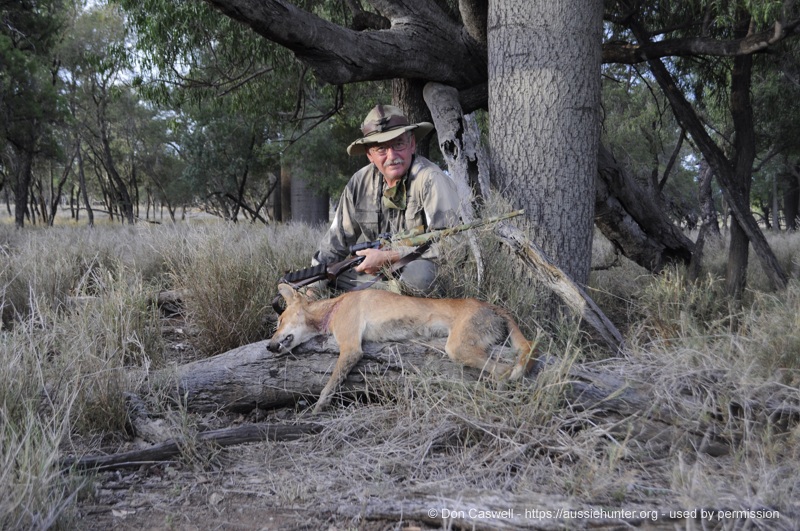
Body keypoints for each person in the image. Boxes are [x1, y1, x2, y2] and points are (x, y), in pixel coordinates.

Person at [311, 104, 462, 294]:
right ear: (369, 154)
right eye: (381, 149)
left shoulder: (432, 180)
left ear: (412, 144)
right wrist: (313, 281)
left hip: (417, 279)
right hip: (375, 278)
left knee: (420, 277)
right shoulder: (359, 183)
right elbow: (333, 245)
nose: (392, 156)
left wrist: (391, 256)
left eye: (398, 144)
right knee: (323, 279)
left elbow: (455, 245)